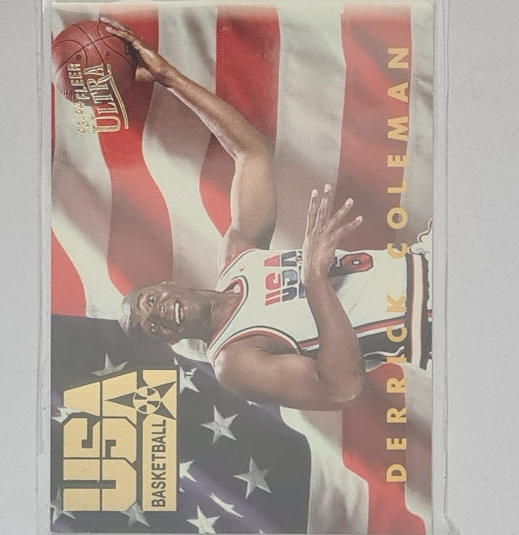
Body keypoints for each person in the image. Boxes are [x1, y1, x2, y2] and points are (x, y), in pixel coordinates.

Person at [106, 18, 432, 411]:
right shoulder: (232, 361)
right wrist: (314, 278)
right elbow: (341, 387)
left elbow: (250, 154)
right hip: (429, 321)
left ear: (166, 283)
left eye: (149, 301)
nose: (158, 313)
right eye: (153, 327)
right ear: (170, 340)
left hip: (428, 258)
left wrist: (169, 78)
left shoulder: (240, 256)